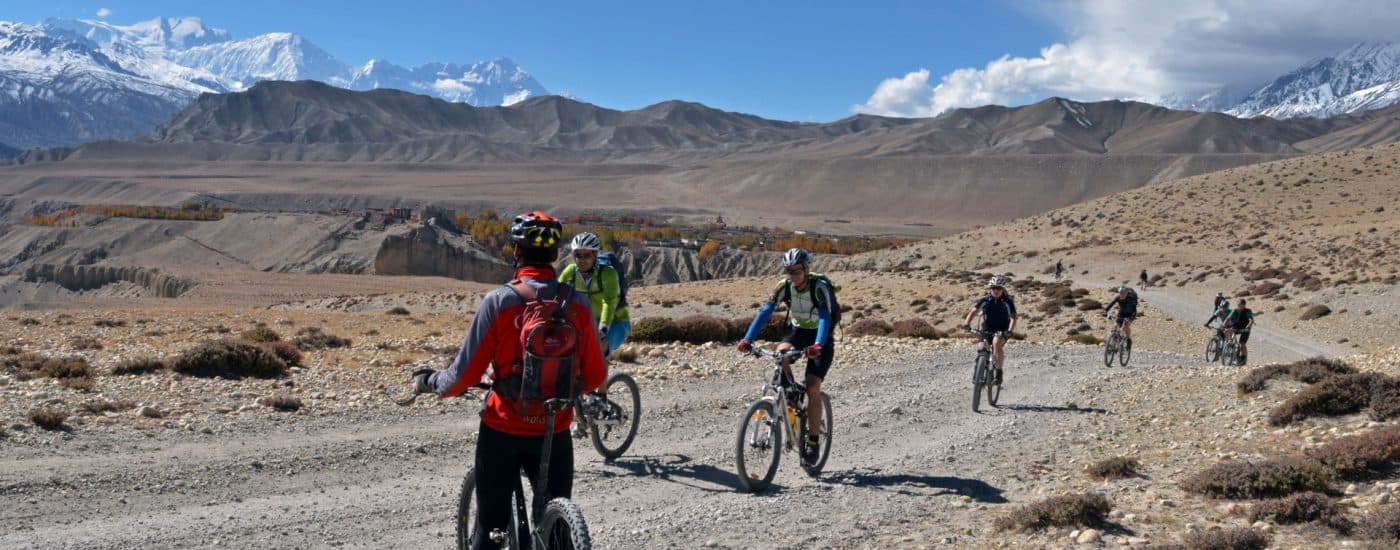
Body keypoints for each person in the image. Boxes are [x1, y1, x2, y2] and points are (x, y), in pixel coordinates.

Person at [411, 211, 606, 550]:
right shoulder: (577, 303)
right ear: (555, 255)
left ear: (516, 252)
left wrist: (431, 382)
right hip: (554, 430)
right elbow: (595, 376)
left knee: (490, 531)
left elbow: (462, 377)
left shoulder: (500, 302)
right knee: (556, 534)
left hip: (503, 430)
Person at [737, 248, 835, 465]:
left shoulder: (818, 288)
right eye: (789, 270)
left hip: (821, 336)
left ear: (806, 269)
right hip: (798, 332)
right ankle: (791, 394)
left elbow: (825, 318)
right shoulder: (784, 286)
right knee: (780, 355)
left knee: (812, 386)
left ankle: (812, 442)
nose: (793, 275)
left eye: (797, 270)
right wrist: (748, 339)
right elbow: (765, 311)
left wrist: (818, 344)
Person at [559, 232, 630, 358]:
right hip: (586, 323)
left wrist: (603, 328)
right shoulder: (571, 271)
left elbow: (609, 302)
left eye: (587, 255)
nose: (581, 260)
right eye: (578, 255)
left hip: (615, 322)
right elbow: (556, 293)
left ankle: (600, 375)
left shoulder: (608, 273)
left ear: (595, 254)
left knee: (598, 351)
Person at [963, 276, 1018, 386]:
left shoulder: (1007, 301)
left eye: (999, 288)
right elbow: (973, 312)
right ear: (990, 288)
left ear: (1003, 289)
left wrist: (1010, 331)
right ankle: (978, 374)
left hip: (1002, 330)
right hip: (986, 329)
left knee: (996, 343)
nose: (996, 290)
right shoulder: (985, 300)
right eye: (993, 288)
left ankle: (998, 372)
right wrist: (966, 324)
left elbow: (1013, 317)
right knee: (981, 347)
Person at [1103, 285, 1139, 349]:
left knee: (1126, 326)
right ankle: (1113, 343)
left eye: (1123, 294)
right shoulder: (1118, 298)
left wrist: (1131, 318)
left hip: (1130, 314)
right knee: (1115, 327)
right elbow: (1111, 304)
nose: (1121, 295)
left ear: (1126, 293)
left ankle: (1128, 340)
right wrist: (1105, 311)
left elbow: (1134, 310)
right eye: (1120, 293)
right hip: (1121, 313)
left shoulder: (1131, 299)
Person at [1224, 298, 1256, 364]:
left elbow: (1251, 320)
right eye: (1238, 305)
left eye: (1241, 305)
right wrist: (1224, 325)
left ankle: (1244, 357)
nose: (1239, 306)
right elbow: (1228, 318)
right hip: (1237, 326)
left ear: (1244, 305)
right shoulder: (1234, 311)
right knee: (1226, 331)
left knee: (1242, 343)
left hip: (1245, 329)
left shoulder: (1248, 311)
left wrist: (1247, 327)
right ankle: (1230, 343)